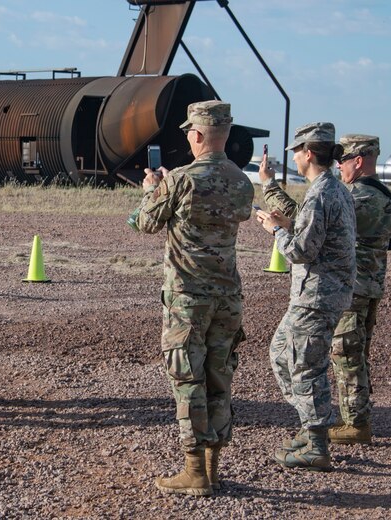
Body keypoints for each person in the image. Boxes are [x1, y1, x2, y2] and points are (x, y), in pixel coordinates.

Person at [133, 101, 253, 496]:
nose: (187, 137)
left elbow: (145, 223)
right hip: (227, 298)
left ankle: (193, 470)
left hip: (188, 298)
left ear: (197, 135)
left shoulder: (181, 179)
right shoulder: (241, 180)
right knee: (219, 378)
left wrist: (151, 190)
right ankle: (213, 467)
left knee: (187, 378)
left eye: (189, 132)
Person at [255, 122, 356, 470]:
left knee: (305, 367)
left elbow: (301, 251)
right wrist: (288, 223)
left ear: (308, 153)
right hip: (319, 294)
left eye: (297, 152)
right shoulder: (335, 188)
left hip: (317, 296)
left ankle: (316, 444)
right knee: (281, 353)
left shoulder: (321, 193)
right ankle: (310, 426)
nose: (295, 158)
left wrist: (275, 230)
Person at [329, 135, 391, 444]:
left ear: (358, 161)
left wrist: (273, 190)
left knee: (346, 353)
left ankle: (356, 423)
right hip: (370, 286)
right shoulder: (384, 195)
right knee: (358, 353)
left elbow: (315, 225)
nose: (339, 167)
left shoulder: (357, 197)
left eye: (342, 160)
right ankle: (358, 416)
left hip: (352, 288)